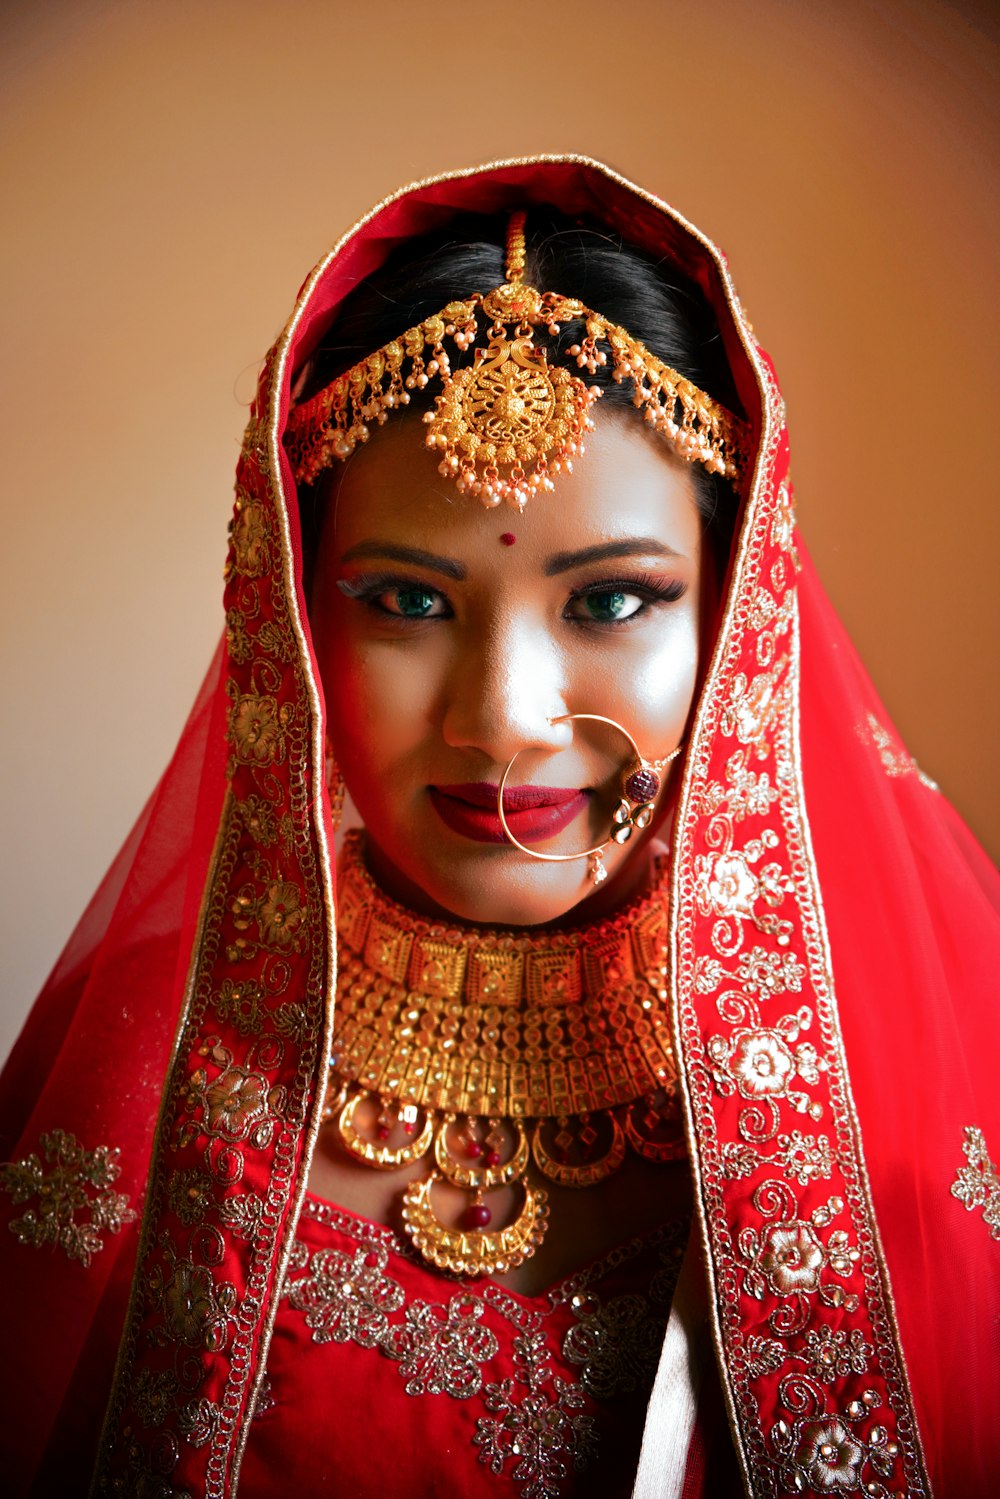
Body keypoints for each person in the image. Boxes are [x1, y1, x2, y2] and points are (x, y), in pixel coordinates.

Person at [1, 156, 996, 1498]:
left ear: (736, 623)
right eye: (408, 603)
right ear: (292, 614)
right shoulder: (146, 1064)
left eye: (611, 601)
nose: (503, 718)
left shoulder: (876, 1097)